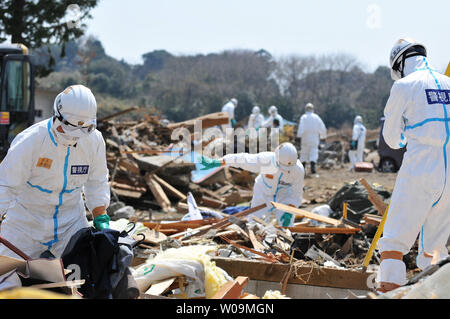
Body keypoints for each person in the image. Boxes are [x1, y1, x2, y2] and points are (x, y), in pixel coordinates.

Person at [0, 84, 110, 259]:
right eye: (69, 128)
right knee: (6, 278)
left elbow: (97, 181)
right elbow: (5, 186)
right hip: (25, 225)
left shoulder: (94, 141)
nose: (74, 136)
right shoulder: (31, 141)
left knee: (88, 276)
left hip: (71, 224)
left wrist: (100, 217)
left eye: (83, 130)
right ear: (57, 115)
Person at [376, 38, 450, 293]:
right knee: (434, 251)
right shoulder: (449, 84)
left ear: (399, 64)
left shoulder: (404, 86)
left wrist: (409, 132)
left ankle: (388, 293)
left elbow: (392, 139)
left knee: (393, 244)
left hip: (420, 167)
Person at [200, 142, 304, 227]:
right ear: (276, 159)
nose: (284, 170)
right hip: (263, 194)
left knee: (287, 226)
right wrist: (221, 161)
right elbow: (242, 159)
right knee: (255, 225)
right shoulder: (266, 160)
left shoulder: (298, 170)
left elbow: (296, 192)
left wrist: (290, 209)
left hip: (283, 196)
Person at [296, 103, 327, 174]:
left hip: (305, 138)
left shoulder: (303, 117)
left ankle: (302, 169)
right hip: (314, 138)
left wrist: (299, 136)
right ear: (312, 109)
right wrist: (323, 136)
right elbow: (322, 128)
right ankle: (313, 168)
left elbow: (301, 127)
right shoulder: (316, 117)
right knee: (314, 152)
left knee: (304, 153)